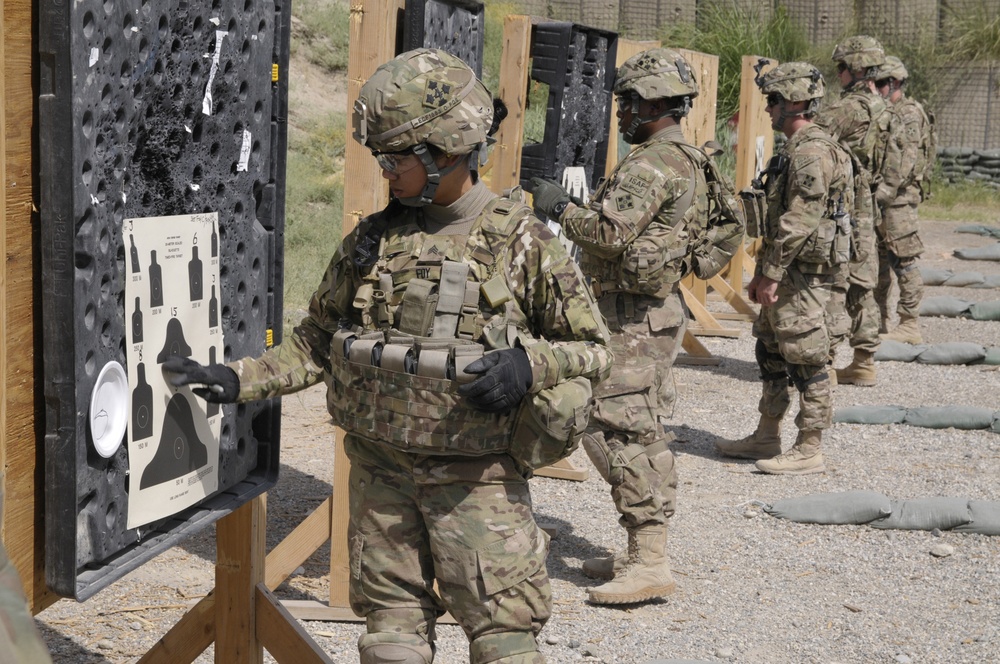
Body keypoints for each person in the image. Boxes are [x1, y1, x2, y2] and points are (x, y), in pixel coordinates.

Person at [165, 48, 612, 664]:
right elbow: (317, 341)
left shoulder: (524, 241)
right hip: (379, 472)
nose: (386, 173)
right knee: (389, 632)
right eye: (382, 157)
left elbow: (592, 349)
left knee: (504, 637)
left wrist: (528, 365)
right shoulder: (372, 240)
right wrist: (237, 379)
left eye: (398, 158)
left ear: (449, 151)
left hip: (476, 479)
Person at [530, 47, 741, 604]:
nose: (621, 113)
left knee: (619, 428)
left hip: (634, 317)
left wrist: (558, 207)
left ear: (651, 104)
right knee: (625, 423)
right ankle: (641, 548)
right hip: (649, 310)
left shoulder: (651, 163)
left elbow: (607, 235)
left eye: (627, 103)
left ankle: (650, 557)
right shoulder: (686, 157)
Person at [715, 61, 854, 475]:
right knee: (771, 351)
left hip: (807, 276)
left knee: (807, 358)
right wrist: (763, 272)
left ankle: (809, 446)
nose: (769, 109)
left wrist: (771, 273)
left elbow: (801, 219)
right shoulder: (797, 148)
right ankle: (766, 433)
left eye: (774, 100)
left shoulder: (812, 152)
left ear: (795, 101)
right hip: (787, 268)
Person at [815, 35, 894, 387]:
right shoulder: (887, 109)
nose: (839, 74)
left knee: (833, 278)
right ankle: (863, 360)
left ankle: (825, 363)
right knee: (863, 282)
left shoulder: (851, 108)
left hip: (845, 204)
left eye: (842, 68)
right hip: (868, 203)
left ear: (857, 69)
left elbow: (811, 140)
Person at [873, 56, 935, 344]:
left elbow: (906, 161)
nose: (876, 88)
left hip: (898, 199)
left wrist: (883, 192)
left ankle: (909, 324)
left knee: (904, 260)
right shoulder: (890, 111)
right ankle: (878, 319)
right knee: (879, 261)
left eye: (880, 83)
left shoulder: (908, 113)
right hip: (886, 197)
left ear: (895, 82)